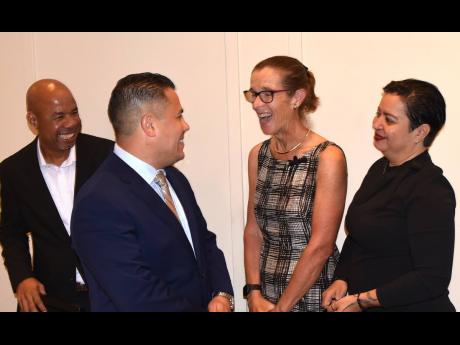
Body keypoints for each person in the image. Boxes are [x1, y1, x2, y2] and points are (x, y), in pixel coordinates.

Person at [71, 72, 234, 312]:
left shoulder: (175, 179)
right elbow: (138, 297)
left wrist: (221, 294)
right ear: (149, 125)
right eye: (179, 115)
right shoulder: (98, 201)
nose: (185, 125)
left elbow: (204, 243)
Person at [322, 79, 456, 312]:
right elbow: (359, 236)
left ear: (420, 132)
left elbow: (431, 278)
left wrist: (362, 300)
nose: (376, 124)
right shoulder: (379, 168)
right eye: (378, 113)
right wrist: (341, 278)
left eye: (389, 120)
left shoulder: (432, 189)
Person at [242, 56, 347, 312]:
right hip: (265, 298)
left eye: (266, 94)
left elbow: (321, 246)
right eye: (253, 94)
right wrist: (253, 293)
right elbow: (253, 230)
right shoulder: (259, 154)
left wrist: (283, 308)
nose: (256, 104)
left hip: (313, 297)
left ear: (297, 98)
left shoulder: (327, 156)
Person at [0, 79, 114, 312]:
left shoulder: (106, 155)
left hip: (108, 295)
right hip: (49, 300)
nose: (71, 123)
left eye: (74, 112)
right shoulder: (14, 170)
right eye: (59, 116)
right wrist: (22, 277)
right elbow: (12, 233)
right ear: (33, 120)